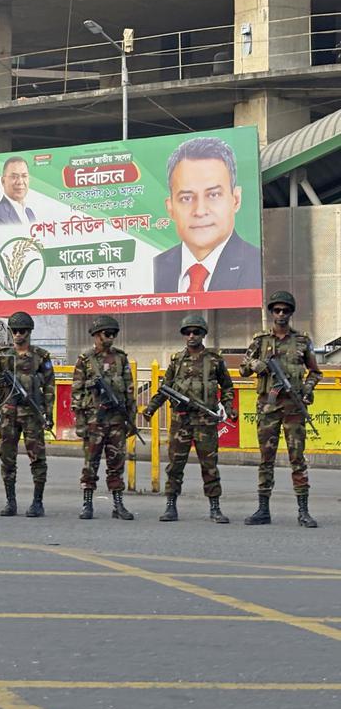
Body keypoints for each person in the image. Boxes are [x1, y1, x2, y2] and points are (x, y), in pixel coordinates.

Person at [238, 291, 322, 527]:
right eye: (277, 310)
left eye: (286, 310)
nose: (281, 314)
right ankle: (263, 509)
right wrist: (257, 364)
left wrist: (306, 389)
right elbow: (243, 368)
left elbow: (315, 372)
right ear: (271, 312)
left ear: (291, 312)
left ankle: (303, 511)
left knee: (298, 459)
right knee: (266, 459)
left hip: (294, 408)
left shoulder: (303, 341)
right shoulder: (260, 341)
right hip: (268, 408)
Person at [142, 314, 236, 523]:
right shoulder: (177, 360)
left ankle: (215, 507)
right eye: (187, 332)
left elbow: (227, 386)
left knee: (209, 465)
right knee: (175, 465)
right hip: (181, 421)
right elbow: (164, 388)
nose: (192, 336)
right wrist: (151, 408)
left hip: (205, 421)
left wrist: (229, 408)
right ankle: (170, 505)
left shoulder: (214, 360)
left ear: (203, 334)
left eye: (196, 332)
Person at [153, 136, 261, 293]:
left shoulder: (257, 264)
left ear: (236, 199)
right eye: (186, 198)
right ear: (170, 208)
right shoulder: (154, 267)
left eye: (213, 195)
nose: (200, 211)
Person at [72, 315, 136, 521]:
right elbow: (77, 392)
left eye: (113, 334)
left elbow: (129, 390)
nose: (110, 338)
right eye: (107, 334)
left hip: (116, 420)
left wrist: (131, 420)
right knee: (90, 463)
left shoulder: (121, 358)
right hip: (94, 420)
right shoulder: (85, 360)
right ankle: (87, 503)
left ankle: (118, 505)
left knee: (116, 463)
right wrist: (81, 423)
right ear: (97, 335)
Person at [0, 311, 55, 518]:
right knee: (7, 458)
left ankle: (38, 502)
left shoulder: (41, 357)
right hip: (8, 414)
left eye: (23, 331)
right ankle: (10, 502)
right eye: (15, 331)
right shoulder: (3, 357)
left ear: (29, 332)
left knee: (38, 458)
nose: (19, 335)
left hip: (32, 415)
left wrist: (49, 414)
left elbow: (49, 388)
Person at [0, 157, 37, 224]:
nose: (20, 182)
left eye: (24, 176)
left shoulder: (29, 213)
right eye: (14, 177)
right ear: (3, 181)